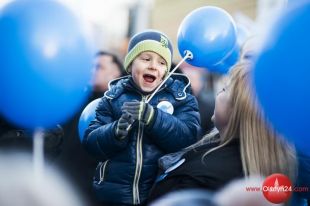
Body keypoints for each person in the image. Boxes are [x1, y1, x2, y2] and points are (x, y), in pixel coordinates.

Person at [147, 61, 296, 204]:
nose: (218, 92)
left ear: (238, 110)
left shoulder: (205, 177)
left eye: (225, 89)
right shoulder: (255, 163)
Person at [83, 30, 201, 205]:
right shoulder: (113, 97)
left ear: (167, 70)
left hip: (160, 195)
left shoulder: (181, 97)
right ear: (130, 64)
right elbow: (91, 142)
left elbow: (189, 138)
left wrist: (153, 118)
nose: (153, 66)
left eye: (162, 63)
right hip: (114, 196)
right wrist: (115, 132)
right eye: (146, 59)